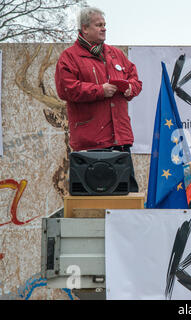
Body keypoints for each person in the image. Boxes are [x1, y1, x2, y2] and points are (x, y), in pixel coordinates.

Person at [55, 7, 143, 192]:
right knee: (92, 197)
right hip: (91, 144)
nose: (104, 28)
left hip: (120, 141)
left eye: (104, 25)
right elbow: (66, 89)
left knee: (126, 193)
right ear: (84, 28)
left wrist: (130, 88)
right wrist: (99, 90)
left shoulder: (116, 54)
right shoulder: (70, 57)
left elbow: (135, 80)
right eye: (99, 25)